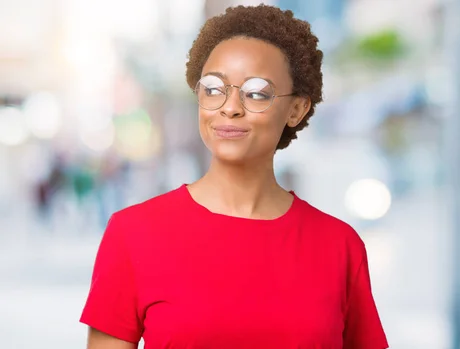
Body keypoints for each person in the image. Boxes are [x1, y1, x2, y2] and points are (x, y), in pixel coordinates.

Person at [80, 4, 388, 349]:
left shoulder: (339, 247)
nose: (230, 107)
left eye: (256, 93)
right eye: (213, 89)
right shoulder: (132, 234)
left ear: (296, 109)